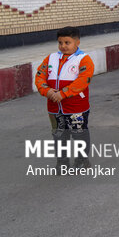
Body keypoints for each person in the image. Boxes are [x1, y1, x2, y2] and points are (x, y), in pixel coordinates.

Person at [35, 27, 95, 170]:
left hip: (76, 108)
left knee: (79, 134)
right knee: (59, 135)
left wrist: (63, 93)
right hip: (54, 107)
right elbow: (39, 76)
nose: (63, 46)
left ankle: (82, 160)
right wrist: (47, 90)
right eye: (60, 43)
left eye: (67, 42)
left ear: (77, 42)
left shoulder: (84, 59)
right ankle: (62, 161)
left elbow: (83, 80)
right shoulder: (51, 58)